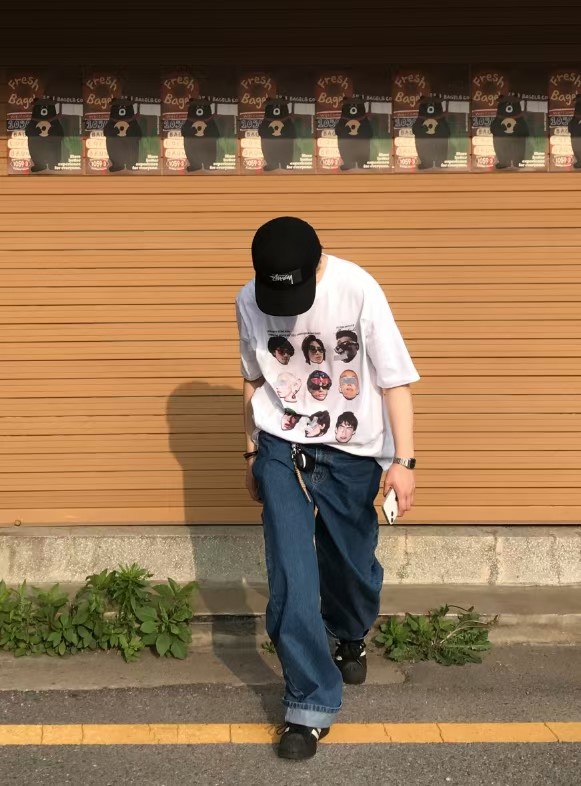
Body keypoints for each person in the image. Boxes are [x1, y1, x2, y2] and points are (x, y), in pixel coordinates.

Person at [235, 216, 419, 761]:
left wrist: (404, 462)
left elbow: (394, 379)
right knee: (292, 576)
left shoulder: (357, 288)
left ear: (320, 262)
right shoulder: (248, 299)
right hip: (281, 446)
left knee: (351, 565)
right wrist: (251, 451)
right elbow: (252, 377)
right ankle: (309, 705)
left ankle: (351, 630)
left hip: (352, 450)